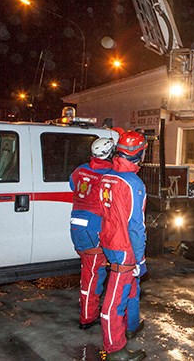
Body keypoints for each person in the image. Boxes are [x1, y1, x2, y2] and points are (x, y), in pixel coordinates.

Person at [99, 131, 148, 361]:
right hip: (124, 248)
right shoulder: (133, 183)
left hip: (109, 241)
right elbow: (136, 226)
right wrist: (139, 259)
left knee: (129, 289)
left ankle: (130, 326)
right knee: (114, 301)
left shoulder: (108, 177)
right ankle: (115, 349)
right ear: (139, 154)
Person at [69, 137, 115, 330]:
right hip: (93, 228)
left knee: (88, 270)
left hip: (75, 225)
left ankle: (87, 308)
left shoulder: (80, 169)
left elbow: (73, 185)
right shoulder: (109, 174)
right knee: (94, 274)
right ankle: (88, 317)